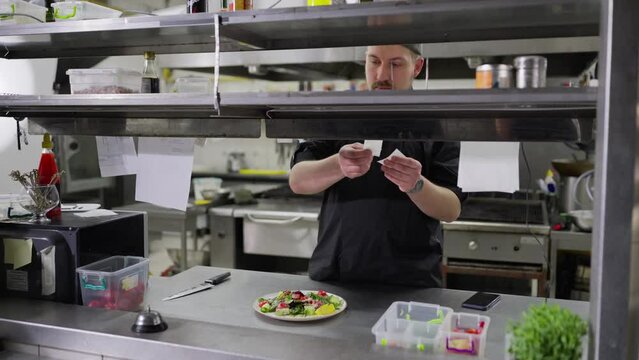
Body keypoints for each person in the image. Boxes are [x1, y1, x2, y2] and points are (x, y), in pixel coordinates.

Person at [289, 44, 465, 287]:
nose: (382, 75)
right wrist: (338, 165)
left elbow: (451, 209)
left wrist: (416, 185)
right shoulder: (338, 114)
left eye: (395, 64)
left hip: (410, 281)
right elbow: (298, 180)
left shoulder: (438, 123)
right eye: (374, 62)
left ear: (417, 66)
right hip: (336, 275)